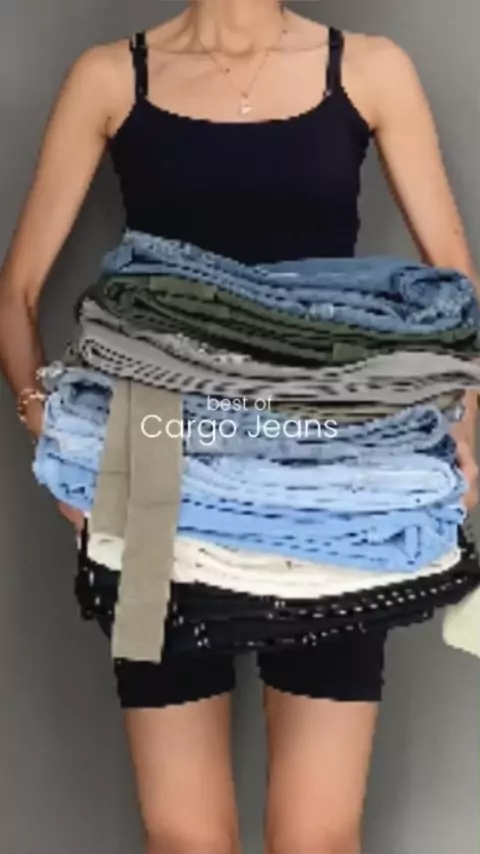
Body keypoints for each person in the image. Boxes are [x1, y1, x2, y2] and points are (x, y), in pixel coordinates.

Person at [0, 2, 478, 853]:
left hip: (334, 475)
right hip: (151, 463)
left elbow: (455, 287)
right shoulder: (110, 78)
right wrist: (61, 449)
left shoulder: (368, 70)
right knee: (183, 838)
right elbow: (17, 290)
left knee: (318, 838)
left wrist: (461, 441)